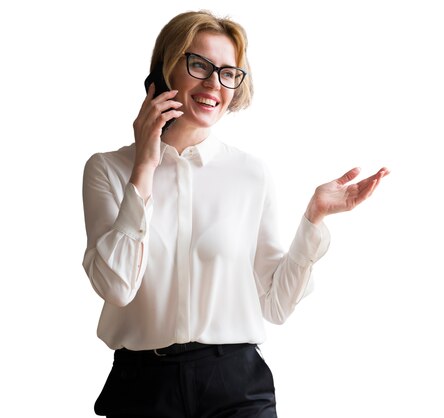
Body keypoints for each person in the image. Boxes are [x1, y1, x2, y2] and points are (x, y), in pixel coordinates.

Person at [82, 9, 389, 418]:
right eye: (199, 65)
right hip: (142, 386)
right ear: (164, 70)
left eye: (229, 72)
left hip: (235, 385)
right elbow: (116, 288)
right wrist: (144, 167)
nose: (214, 83)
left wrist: (313, 220)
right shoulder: (108, 170)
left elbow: (276, 306)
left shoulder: (250, 174)